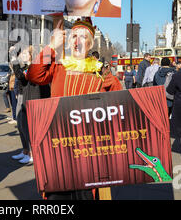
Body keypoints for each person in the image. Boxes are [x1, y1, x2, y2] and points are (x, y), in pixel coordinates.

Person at [27, 16, 122, 200]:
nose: (77, 41)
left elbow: (119, 102)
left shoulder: (100, 72)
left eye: (83, 37)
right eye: (73, 36)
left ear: (90, 43)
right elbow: (34, 75)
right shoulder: (59, 66)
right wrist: (51, 47)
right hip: (58, 150)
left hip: (89, 153)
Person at [11, 46, 51, 164]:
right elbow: (21, 79)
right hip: (28, 99)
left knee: (32, 129)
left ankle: (34, 154)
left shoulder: (35, 67)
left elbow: (20, 76)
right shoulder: (28, 67)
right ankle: (26, 151)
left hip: (36, 100)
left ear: (31, 55)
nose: (22, 55)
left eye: (24, 53)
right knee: (22, 125)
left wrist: (14, 59)